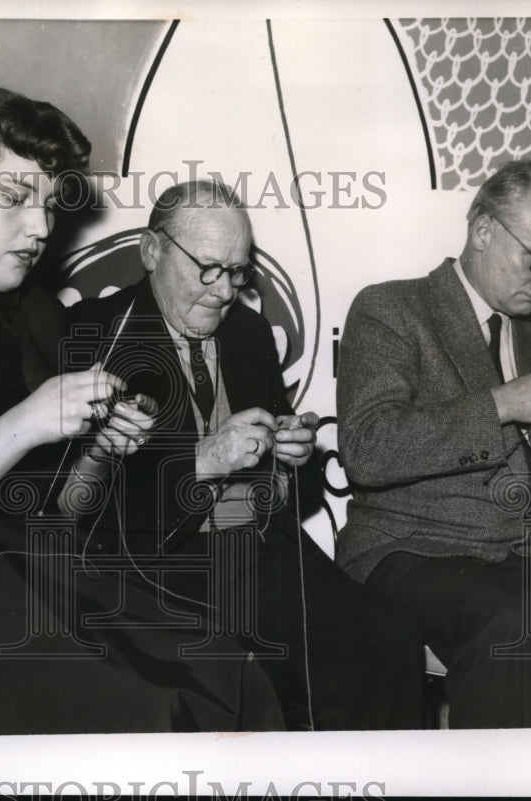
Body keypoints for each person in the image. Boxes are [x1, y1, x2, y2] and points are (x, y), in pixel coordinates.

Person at [0, 89, 285, 735]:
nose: (42, 228)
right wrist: (29, 422)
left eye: (47, 204)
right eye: (15, 199)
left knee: (231, 677)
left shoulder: (45, 316)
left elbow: (67, 509)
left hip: (52, 570)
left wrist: (100, 451)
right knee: (145, 711)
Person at [67, 180, 425, 730]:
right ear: (152, 250)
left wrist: (288, 457)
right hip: (153, 568)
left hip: (257, 552)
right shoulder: (91, 334)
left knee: (388, 643)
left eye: (237, 272)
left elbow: (291, 487)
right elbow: (84, 512)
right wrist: (204, 460)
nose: (223, 290)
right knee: (230, 688)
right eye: (208, 267)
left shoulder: (248, 331)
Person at [336, 160, 531, 728]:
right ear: (483, 230)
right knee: (513, 621)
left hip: (526, 555)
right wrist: (503, 404)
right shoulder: (390, 310)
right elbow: (367, 449)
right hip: (411, 549)